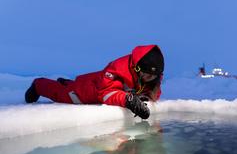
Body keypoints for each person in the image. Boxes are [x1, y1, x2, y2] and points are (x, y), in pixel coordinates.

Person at [25, 44, 164, 119]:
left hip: (96, 80)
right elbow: (104, 93)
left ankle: (66, 82)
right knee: (60, 93)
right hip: (84, 92)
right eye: (146, 75)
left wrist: (144, 96)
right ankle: (38, 85)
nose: (148, 79)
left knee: (69, 86)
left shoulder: (151, 77)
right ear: (137, 68)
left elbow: (153, 91)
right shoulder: (117, 68)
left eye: (152, 77)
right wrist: (128, 100)